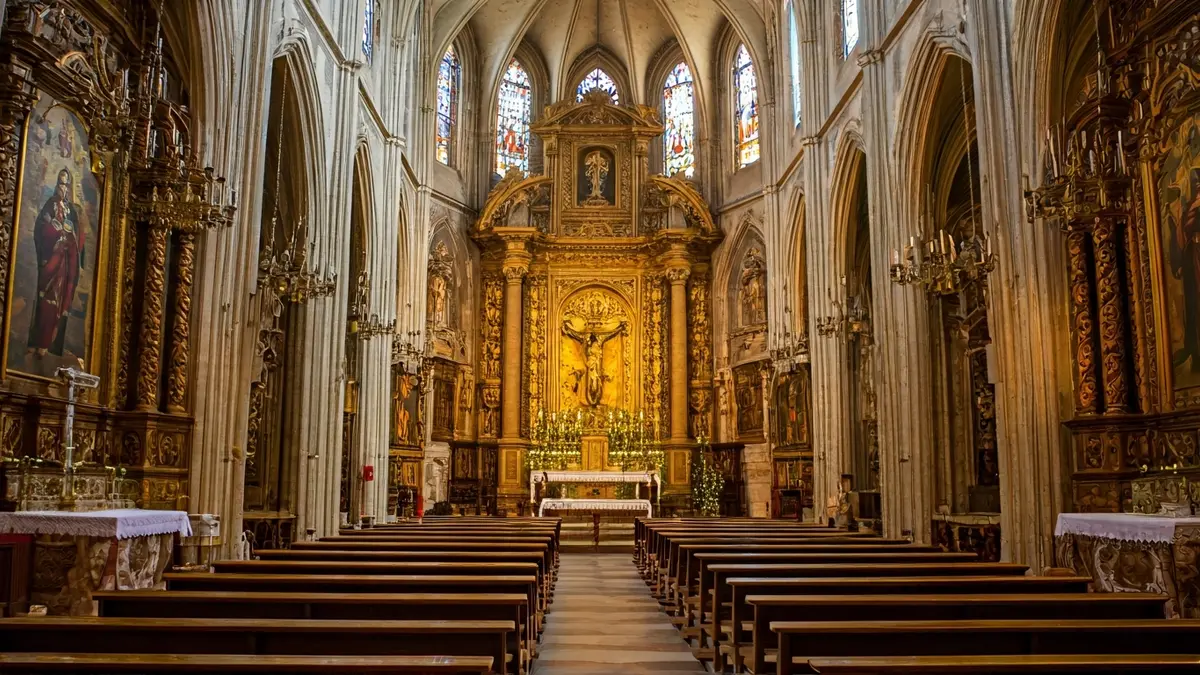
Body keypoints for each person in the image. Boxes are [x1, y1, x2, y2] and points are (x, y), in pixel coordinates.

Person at [28, 168, 84, 357]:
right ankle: (39, 341)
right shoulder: (50, 205)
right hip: (51, 259)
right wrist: (53, 232)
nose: (63, 188)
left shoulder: (70, 210)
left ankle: (51, 343)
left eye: (66, 184)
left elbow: (77, 237)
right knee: (47, 300)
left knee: (59, 303)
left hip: (65, 263)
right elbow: (41, 229)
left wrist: (72, 237)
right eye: (60, 183)